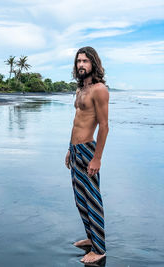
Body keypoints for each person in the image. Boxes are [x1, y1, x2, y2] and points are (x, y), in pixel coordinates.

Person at [65, 46, 109, 264]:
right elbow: (77, 122)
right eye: (78, 61)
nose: (81, 65)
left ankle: (99, 248)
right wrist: (68, 149)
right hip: (75, 150)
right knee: (80, 199)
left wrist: (97, 158)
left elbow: (104, 126)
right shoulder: (81, 89)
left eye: (85, 61)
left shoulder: (99, 89)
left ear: (94, 63)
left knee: (92, 199)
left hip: (88, 151)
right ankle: (91, 238)